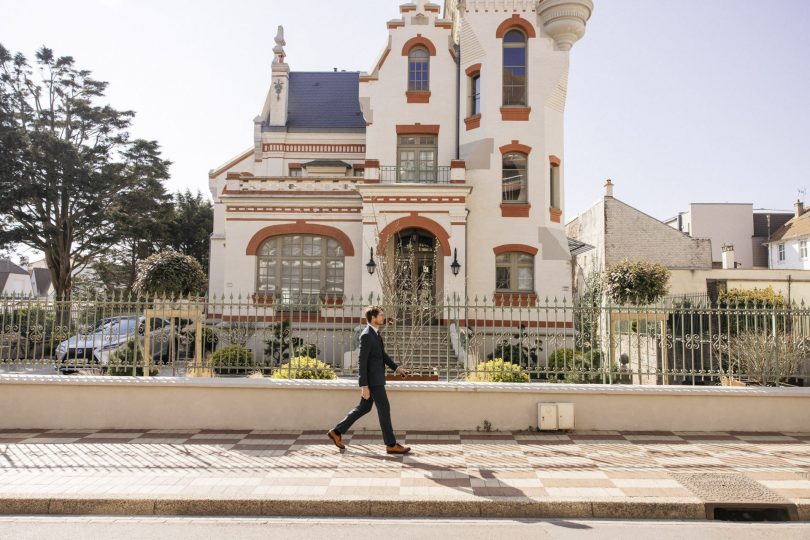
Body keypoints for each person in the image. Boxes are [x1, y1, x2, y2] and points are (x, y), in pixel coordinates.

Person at [327, 305, 411, 454]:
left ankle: (337, 432)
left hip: (375, 379)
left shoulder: (376, 334)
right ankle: (391, 444)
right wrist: (364, 385)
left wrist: (397, 368)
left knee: (364, 407)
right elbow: (362, 361)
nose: (383, 317)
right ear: (373, 318)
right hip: (373, 381)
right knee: (384, 409)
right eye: (381, 315)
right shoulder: (366, 335)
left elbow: (383, 356)